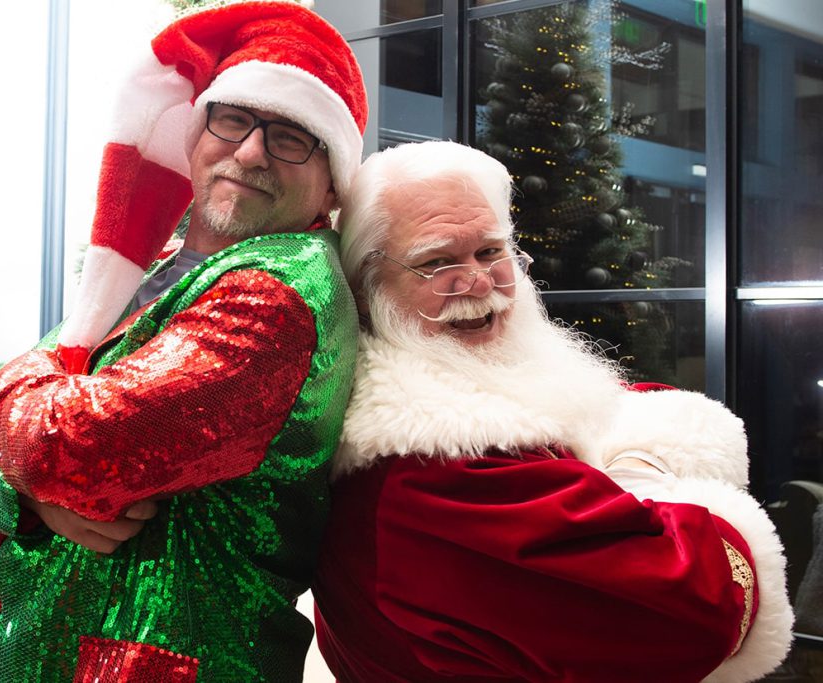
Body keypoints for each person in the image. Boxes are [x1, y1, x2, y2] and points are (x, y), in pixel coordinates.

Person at [0, 2, 368, 681]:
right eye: (234, 118)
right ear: (195, 130)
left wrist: (36, 442)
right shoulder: (156, 263)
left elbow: (71, 442)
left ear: (331, 178)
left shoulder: (279, 294)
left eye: (292, 136)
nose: (251, 150)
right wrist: (31, 494)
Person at [311, 140, 794, 683]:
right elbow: (703, 608)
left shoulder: (455, 388)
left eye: (491, 251)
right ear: (367, 287)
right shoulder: (433, 476)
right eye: (437, 261)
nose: (478, 281)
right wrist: (647, 472)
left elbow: (620, 401)